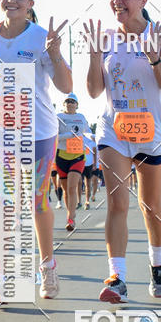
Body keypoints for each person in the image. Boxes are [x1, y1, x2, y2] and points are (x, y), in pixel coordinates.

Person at [0, 0, 71, 302]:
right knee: (3, 201)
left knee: (36, 200)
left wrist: (54, 52)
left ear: (30, 5)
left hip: (38, 131)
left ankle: (47, 266)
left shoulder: (42, 37)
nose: (11, 0)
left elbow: (66, 86)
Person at [85, 0, 161, 303]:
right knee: (117, 202)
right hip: (114, 130)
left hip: (151, 132)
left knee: (150, 206)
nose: (118, 0)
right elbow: (95, 91)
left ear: (143, 1)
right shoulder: (105, 38)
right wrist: (95, 56)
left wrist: (153, 57)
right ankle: (117, 278)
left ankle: (157, 261)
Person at [55, 93, 92, 230]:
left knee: (72, 186)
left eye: (73, 101)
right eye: (67, 101)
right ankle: (69, 215)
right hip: (62, 155)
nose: (70, 103)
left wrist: (93, 138)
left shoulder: (81, 117)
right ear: (63, 104)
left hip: (77, 156)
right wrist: (69, 135)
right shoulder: (58, 117)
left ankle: (71, 217)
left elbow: (87, 132)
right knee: (65, 189)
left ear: (77, 105)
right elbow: (55, 136)